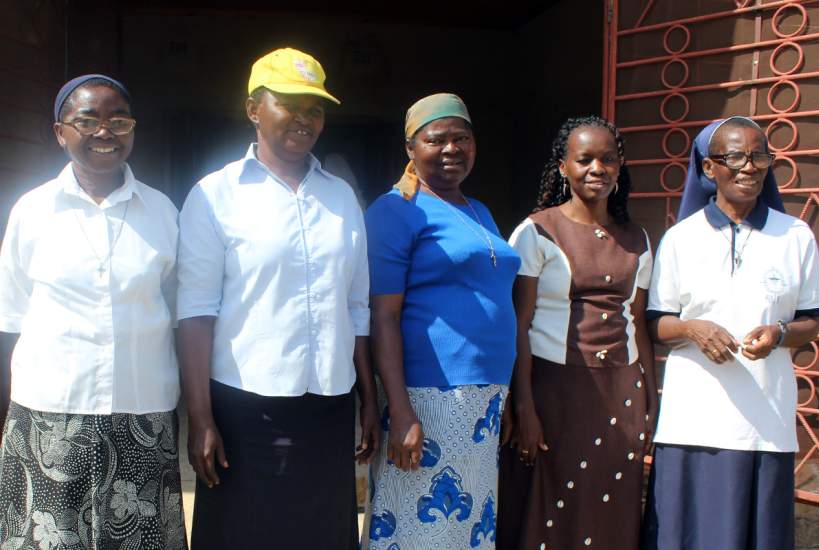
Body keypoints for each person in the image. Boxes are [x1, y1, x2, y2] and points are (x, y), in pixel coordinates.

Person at [176, 48, 378, 549]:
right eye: (287, 103)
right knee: (246, 533)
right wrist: (200, 417)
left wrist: (368, 400)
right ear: (252, 109)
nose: (303, 119)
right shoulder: (214, 195)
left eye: (314, 108)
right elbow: (196, 312)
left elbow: (356, 307)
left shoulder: (340, 197)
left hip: (329, 406)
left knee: (321, 533)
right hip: (246, 407)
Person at [0, 74, 185, 549]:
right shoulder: (32, 211)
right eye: (88, 120)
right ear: (61, 132)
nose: (106, 132)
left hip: (142, 412)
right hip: (51, 413)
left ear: (133, 130)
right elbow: (12, 315)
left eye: (119, 121)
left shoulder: (162, 212)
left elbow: (179, 305)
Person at [641, 116, 819, 550]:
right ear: (708, 168)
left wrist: (779, 333)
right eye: (736, 156)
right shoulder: (681, 238)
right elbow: (656, 322)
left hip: (764, 419)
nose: (750, 166)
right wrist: (692, 328)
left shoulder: (795, 236)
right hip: (693, 420)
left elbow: (813, 320)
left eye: (760, 156)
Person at [361, 93, 521, 549]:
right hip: (429, 394)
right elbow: (384, 316)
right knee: (415, 525)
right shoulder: (396, 211)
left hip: (483, 397)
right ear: (410, 148)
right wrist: (401, 410)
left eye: (462, 138)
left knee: (465, 526)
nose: (452, 149)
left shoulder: (478, 210)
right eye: (437, 139)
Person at [496, 116, 657, 550]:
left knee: (612, 499)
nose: (597, 169)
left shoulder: (637, 238)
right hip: (554, 391)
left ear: (620, 167)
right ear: (563, 167)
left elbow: (637, 322)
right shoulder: (537, 231)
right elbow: (518, 324)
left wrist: (650, 397)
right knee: (552, 500)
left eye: (607, 160)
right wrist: (523, 405)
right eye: (584, 159)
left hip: (622, 389)